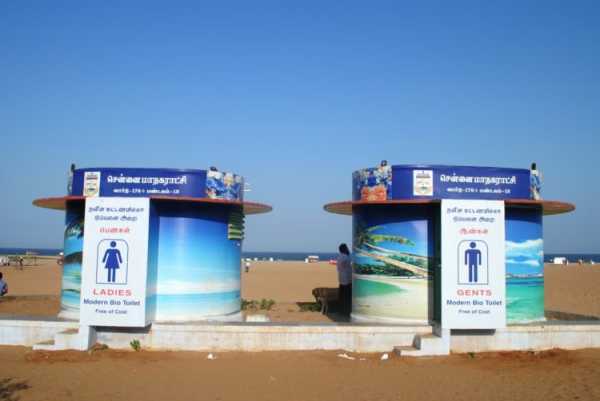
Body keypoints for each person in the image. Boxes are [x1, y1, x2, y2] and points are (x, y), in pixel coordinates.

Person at [336, 243, 352, 316]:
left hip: (341, 278)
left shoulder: (339, 257)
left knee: (342, 296)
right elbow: (349, 266)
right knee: (347, 296)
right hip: (347, 279)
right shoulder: (346, 257)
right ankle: (346, 311)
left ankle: (341, 310)